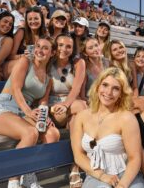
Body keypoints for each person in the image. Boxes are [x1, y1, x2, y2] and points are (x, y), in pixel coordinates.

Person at [0, 37, 60, 188]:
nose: (40, 50)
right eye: (38, 46)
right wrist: (28, 112)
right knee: (31, 133)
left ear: (52, 53)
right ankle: (13, 181)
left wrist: (44, 116)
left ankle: (28, 173)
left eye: (45, 48)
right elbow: (15, 89)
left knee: (53, 134)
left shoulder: (48, 78)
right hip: (5, 107)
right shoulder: (25, 62)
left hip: (24, 112)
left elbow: (43, 102)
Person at [71, 67, 144, 188]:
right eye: (105, 85)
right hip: (95, 175)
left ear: (121, 94)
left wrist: (122, 185)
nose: (108, 92)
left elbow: (135, 158)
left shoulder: (126, 118)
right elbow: (78, 155)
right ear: (97, 86)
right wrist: (102, 176)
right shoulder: (82, 117)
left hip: (126, 175)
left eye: (116, 88)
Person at [48, 33, 87, 187]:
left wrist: (65, 105)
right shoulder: (48, 62)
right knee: (81, 107)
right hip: (52, 106)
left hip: (70, 103)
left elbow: (76, 88)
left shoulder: (79, 63)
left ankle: (74, 167)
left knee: (76, 116)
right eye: (60, 45)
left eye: (68, 46)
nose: (64, 49)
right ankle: (76, 166)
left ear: (73, 49)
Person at [3, 6, 46, 79]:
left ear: (41, 19)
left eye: (36, 18)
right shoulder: (21, 32)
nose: (33, 21)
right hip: (13, 65)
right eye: (30, 19)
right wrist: (23, 56)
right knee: (26, 63)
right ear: (26, 21)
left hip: (32, 68)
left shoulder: (45, 36)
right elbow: (9, 56)